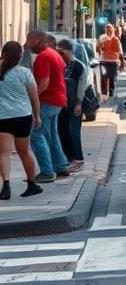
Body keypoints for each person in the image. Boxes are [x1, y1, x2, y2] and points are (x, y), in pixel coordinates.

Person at [25, 30, 70, 182]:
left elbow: (43, 85)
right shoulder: (54, 54)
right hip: (58, 100)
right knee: (51, 134)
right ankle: (60, 166)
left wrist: (29, 98)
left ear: (37, 40)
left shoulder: (43, 56)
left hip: (47, 100)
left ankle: (47, 171)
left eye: (28, 40)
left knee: (36, 135)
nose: (27, 44)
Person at [0, 42, 43, 198]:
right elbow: (34, 97)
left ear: (4, 53)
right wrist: (37, 115)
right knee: (24, 151)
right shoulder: (25, 73)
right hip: (22, 117)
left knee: (3, 153)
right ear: (19, 56)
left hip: (2, 117)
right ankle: (32, 184)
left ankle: (6, 185)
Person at [56, 39, 86, 170]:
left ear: (68, 51)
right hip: (61, 104)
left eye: (62, 52)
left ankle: (78, 158)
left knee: (74, 131)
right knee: (63, 131)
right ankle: (67, 157)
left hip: (74, 104)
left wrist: (79, 103)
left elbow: (81, 86)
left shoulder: (78, 66)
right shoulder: (60, 64)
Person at [97, 23, 122, 100]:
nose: (109, 31)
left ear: (113, 30)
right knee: (104, 77)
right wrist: (101, 45)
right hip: (104, 61)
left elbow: (119, 51)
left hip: (113, 62)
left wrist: (121, 61)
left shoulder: (115, 39)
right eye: (107, 30)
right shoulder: (102, 38)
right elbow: (97, 49)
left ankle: (110, 92)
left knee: (112, 78)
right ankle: (105, 93)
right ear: (105, 30)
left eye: (110, 30)